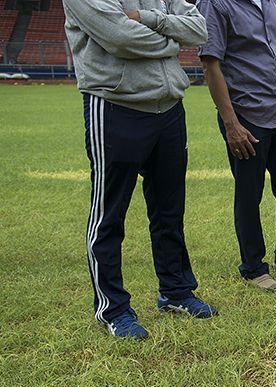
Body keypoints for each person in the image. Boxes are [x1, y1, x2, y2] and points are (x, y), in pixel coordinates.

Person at [63, 0, 218, 340]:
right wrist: (171, 40)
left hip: (169, 107)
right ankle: (113, 308)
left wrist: (147, 19)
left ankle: (175, 292)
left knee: (169, 208)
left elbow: (198, 29)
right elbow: (120, 38)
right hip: (117, 104)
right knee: (110, 213)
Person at [197, 0, 276, 292]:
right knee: (249, 192)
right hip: (246, 116)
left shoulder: (272, 2)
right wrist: (231, 124)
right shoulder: (216, 4)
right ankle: (253, 267)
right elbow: (210, 64)